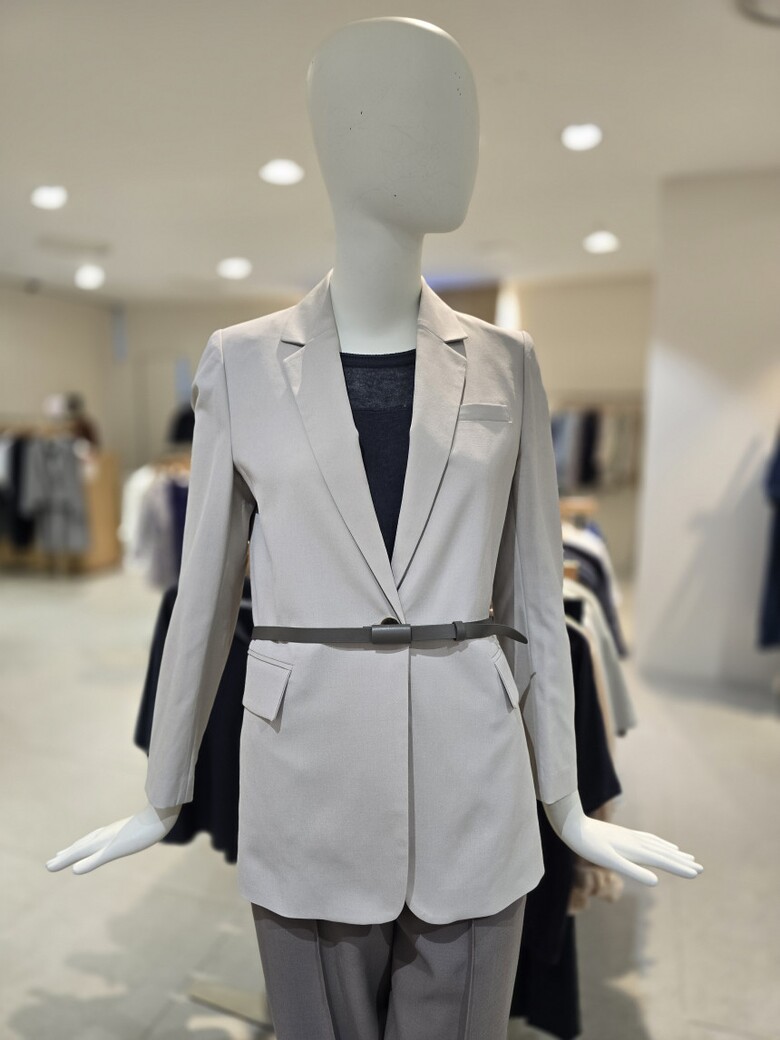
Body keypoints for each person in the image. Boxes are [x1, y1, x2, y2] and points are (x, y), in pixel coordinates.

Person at [47, 17, 702, 1040]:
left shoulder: (508, 362)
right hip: (302, 779)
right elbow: (203, 600)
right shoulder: (241, 361)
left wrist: (567, 804)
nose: (460, 139)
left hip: (476, 779)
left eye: (464, 112)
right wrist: (162, 792)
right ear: (334, 134)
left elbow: (536, 599)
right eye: (422, 107)